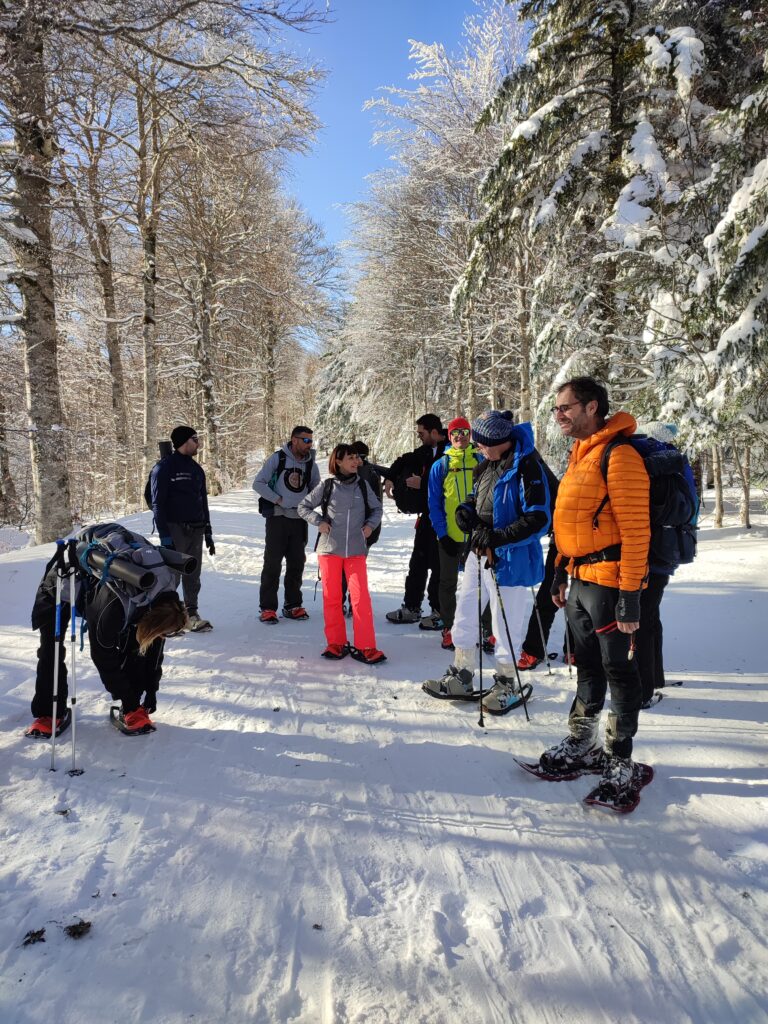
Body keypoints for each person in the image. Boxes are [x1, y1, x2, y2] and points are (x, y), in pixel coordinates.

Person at [542, 376, 650, 804]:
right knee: (585, 667)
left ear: (592, 407)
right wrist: (558, 571)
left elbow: (637, 531)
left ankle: (620, 757)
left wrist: (630, 596)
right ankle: (582, 741)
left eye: (565, 407)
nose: (559, 415)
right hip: (579, 580)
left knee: (619, 672)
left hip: (610, 584)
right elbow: (567, 522)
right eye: (557, 409)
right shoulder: (579, 456)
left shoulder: (619, 456)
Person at [423, 410, 550, 715]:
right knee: (465, 612)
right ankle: (462, 672)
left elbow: (539, 518)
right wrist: (465, 515)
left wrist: (498, 537)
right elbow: (472, 500)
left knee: (505, 622)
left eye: (481, 442)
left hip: (512, 558)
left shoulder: (527, 466)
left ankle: (508, 680)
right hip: (478, 553)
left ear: (499, 441)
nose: (475, 446)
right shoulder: (486, 465)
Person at [25, 525, 188, 738]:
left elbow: (154, 653)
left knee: (138, 648)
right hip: (62, 583)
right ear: (151, 623)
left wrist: (150, 694)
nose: (164, 637)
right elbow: (103, 657)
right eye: (162, 633)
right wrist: (127, 696)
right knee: (51, 649)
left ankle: (132, 711)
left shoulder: (166, 598)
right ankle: (49, 713)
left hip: (121, 594)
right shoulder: (113, 610)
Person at [299, 444, 385, 665]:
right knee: (332, 598)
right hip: (329, 550)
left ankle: (366, 646)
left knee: (360, 599)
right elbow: (304, 507)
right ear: (338, 461)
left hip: (356, 550)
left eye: (357, 458)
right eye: (351, 458)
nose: (356, 462)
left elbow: (377, 510)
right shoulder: (327, 486)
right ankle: (336, 643)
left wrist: (369, 526)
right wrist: (320, 522)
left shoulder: (363, 485)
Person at [252, 425, 321, 624]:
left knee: (297, 564)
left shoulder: (311, 464)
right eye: (306, 440)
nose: (309, 444)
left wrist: (310, 504)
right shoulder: (278, 458)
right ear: (294, 439)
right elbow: (258, 483)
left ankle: (293, 605)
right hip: (277, 519)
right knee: (272, 564)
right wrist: (278, 499)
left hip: (299, 520)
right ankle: (267, 608)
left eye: (311, 441)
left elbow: (317, 488)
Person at [427, 416, 485, 650]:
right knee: (448, 582)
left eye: (464, 432)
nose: (460, 436)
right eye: (455, 433)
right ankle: (449, 627)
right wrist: (442, 533)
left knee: (483, 583)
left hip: (478, 535)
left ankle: (487, 628)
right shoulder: (440, 465)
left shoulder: (481, 459)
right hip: (450, 535)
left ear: (470, 435)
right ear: (449, 437)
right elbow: (434, 503)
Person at [150, 425, 214, 632]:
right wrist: (165, 535)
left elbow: (202, 501)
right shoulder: (165, 467)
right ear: (183, 442)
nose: (198, 443)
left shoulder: (196, 469)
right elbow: (157, 503)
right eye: (195, 439)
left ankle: (191, 614)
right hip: (174, 528)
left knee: (192, 574)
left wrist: (208, 531)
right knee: (172, 576)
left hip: (196, 528)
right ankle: (166, 619)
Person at [385, 414, 447, 624]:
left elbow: (452, 480)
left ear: (433, 432)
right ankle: (412, 607)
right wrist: (391, 477)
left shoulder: (452, 449)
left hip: (447, 520)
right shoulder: (424, 451)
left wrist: (424, 483)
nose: (419, 437)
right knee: (417, 564)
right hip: (428, 517)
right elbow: (405, 459)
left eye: (422, 433)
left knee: (439, 567)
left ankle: (439, 612)